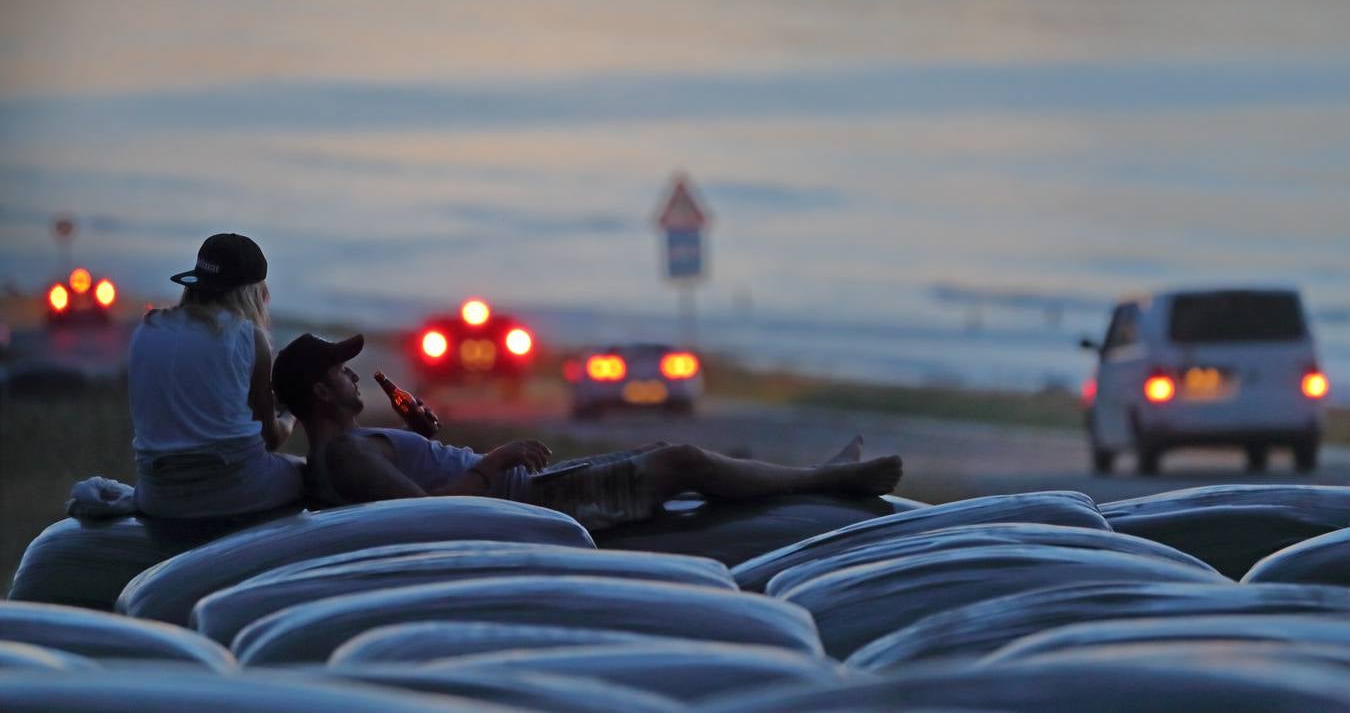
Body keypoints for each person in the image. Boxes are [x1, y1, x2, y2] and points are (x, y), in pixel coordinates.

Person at [272, 332, 903, 531]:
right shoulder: (346, 456)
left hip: (523, 491)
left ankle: (814, 479)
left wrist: (444, 446)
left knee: (661, 451)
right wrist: (497, 457)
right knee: (680, 458)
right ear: (322, 391)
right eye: (344, 371)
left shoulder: (342, 453)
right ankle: (828, 479)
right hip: (529, 504)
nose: (357, 378)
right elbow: (429, 517)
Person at [128, 233, 303, 518]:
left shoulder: (149, 328)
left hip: (157, 494)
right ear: (252, 292)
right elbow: (269, 439)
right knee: (312, 472)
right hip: (231, 488)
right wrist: (290, 415)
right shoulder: (247, 337)